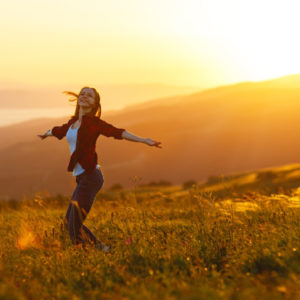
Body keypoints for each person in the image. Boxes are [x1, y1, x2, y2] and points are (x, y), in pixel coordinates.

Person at [37, 87, 162, 251]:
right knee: (69, 222)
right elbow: (57, 131)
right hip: (81, 178)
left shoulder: (94, 123)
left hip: (91, 177)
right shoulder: (72, 123)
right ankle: (100, 249)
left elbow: (117, 132)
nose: (84, 96)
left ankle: (100, 251)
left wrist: (143, 140)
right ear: (78, 99)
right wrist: (46, 134)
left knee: (74, 225)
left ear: (95, 103)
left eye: (90, 95)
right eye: (82, 93)